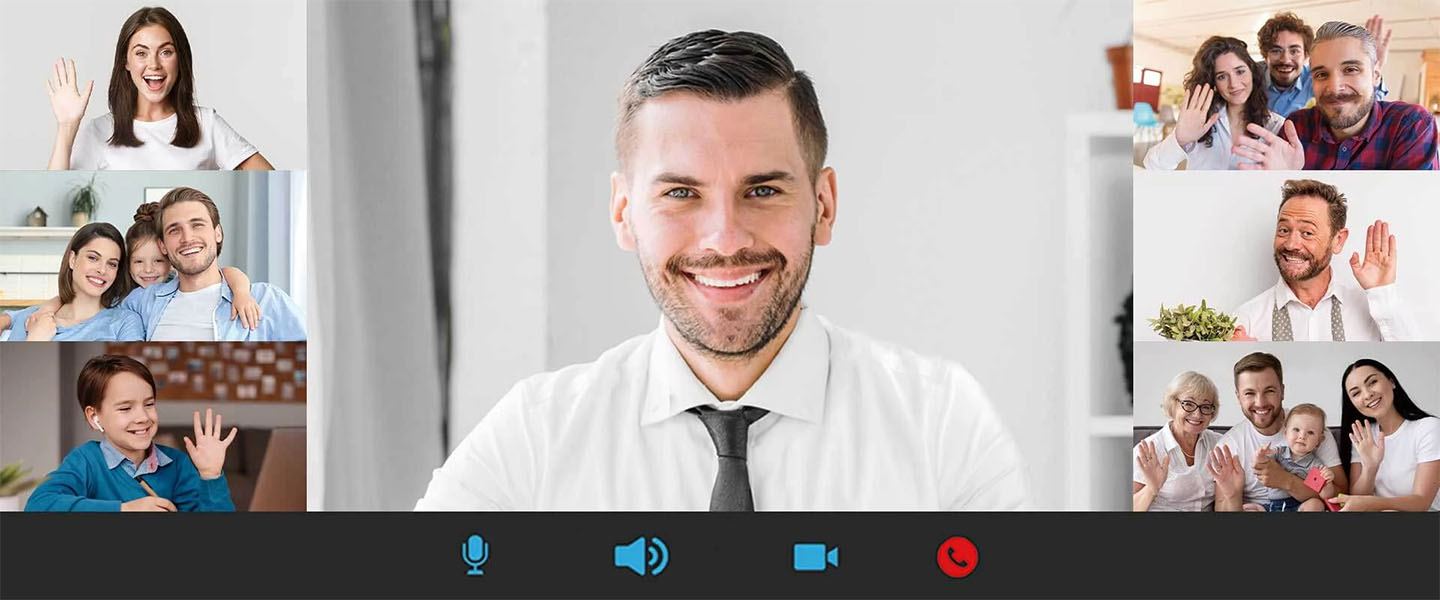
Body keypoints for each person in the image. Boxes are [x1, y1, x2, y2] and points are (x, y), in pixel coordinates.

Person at [416, 30, 1027, 511]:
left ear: (824, 206)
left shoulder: (939, 423)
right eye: (681, 193)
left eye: (762, 190)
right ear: (624, 213)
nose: (726, 239)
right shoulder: (537, 435)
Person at [44, 6, 273, 170]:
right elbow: (51, 193)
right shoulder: (100, 131)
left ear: (179, 58)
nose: (154, 64)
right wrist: (67, 126)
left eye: (165, 52)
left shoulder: (207, 123)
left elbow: (268, 179)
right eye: (141, 53)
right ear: (126, 61)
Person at [3, 202, 262, 335]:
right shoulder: (122, 294)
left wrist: (242, 293)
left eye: (158, 261)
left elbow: (226, 272)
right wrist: (45, 308)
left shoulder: (175, 285)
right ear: (127, 264)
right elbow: (74, 300)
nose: (148, 270)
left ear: (170, 258)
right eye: (138, 262)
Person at [25, 355, 236, 512]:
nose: (143, 417)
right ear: (94, 416)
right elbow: (38, 505)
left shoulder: (178, 464)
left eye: (149, 404)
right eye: (125, 408)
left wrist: (210, 474)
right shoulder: (85, 461)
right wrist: (125, 509)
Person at [1229, 179, 1417, 342]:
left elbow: (1413, 360)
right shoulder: (1246, 321)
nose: (1292, 244)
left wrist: (1382, 293)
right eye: (1284, 230)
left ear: (1338, 240)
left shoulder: (1373, 310)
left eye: (1307, 233)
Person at [1235, 21, 1438, 170]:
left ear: (1376, 75)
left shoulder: (1411, 125)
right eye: (1322, 74)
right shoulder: (1296, 128)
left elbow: (1411, 212)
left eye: (1351, 69)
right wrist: (1282, 179)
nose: (1335, 87)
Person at [123, 187, 306, 341]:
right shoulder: (142, 301)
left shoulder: (267, 300)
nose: (187, 238)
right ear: (163, 245)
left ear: (217, 233)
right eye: (174, 230)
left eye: (197, 225)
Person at [1209, 352, 1349, 512]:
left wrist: (1285, 480)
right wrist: (1233, 496)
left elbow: (1342, 497)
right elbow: (1223, 508)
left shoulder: (1311, 429)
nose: (1260, 402)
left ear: (1282, 391)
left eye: (1269, 391)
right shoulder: (1229, 445)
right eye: (1249, 393)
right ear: (1238, 397)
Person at [1142, 37, 1282, 170]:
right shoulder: (1199, 120)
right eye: (1222, 77)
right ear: (1213, 83)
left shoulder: (1276, 125)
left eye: (1240, 71)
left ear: (1252, 72)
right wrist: (1180, 140)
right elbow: (1153, 166)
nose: (1233, 84)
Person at [0, 223, 142, 342]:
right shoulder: (30, 319)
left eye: (112, 264)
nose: (102, 270)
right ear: (72, 259)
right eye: (93, 258)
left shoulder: (125, 322)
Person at [1334, 359, 1440, 511]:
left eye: (1372, 382)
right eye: (1356, 393)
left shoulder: (1428, 428)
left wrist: (1374, 504)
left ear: (1392, 382)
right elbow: (1357, 499)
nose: (1367, 394)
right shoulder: (1363, 435)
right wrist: (1371, 467)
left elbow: (1421, 502)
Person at [1254, 12, 1391, 119]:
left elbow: (1360, 108)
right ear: (1265, 54)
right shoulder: (1250, 75)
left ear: (1307, 55)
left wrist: (1371, 65)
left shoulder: (1319, 78)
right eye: (1276, 51)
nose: (1286, 59)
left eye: (1294, 51)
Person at [1133, 372, 1223, 511]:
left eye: (1205, 406)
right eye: (1188, 404)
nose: (1197, 414)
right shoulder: (1149, 449)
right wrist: (1151, 488)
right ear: (1172, 404)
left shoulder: (1220, 445)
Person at [1240, 404, 1338, 512]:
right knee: (1247, 508)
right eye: (1296, 430)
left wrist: (1327, 484)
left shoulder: (1315, 466)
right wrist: (1261, 456)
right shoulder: (1279, 453)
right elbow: (1261, 466)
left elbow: (1325, 496)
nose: (1302, 436)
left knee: (1316, 504)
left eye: (1310, 432)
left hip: (1299, 506)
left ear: (1319, 440)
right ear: (1286, 433)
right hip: (1274, 505)